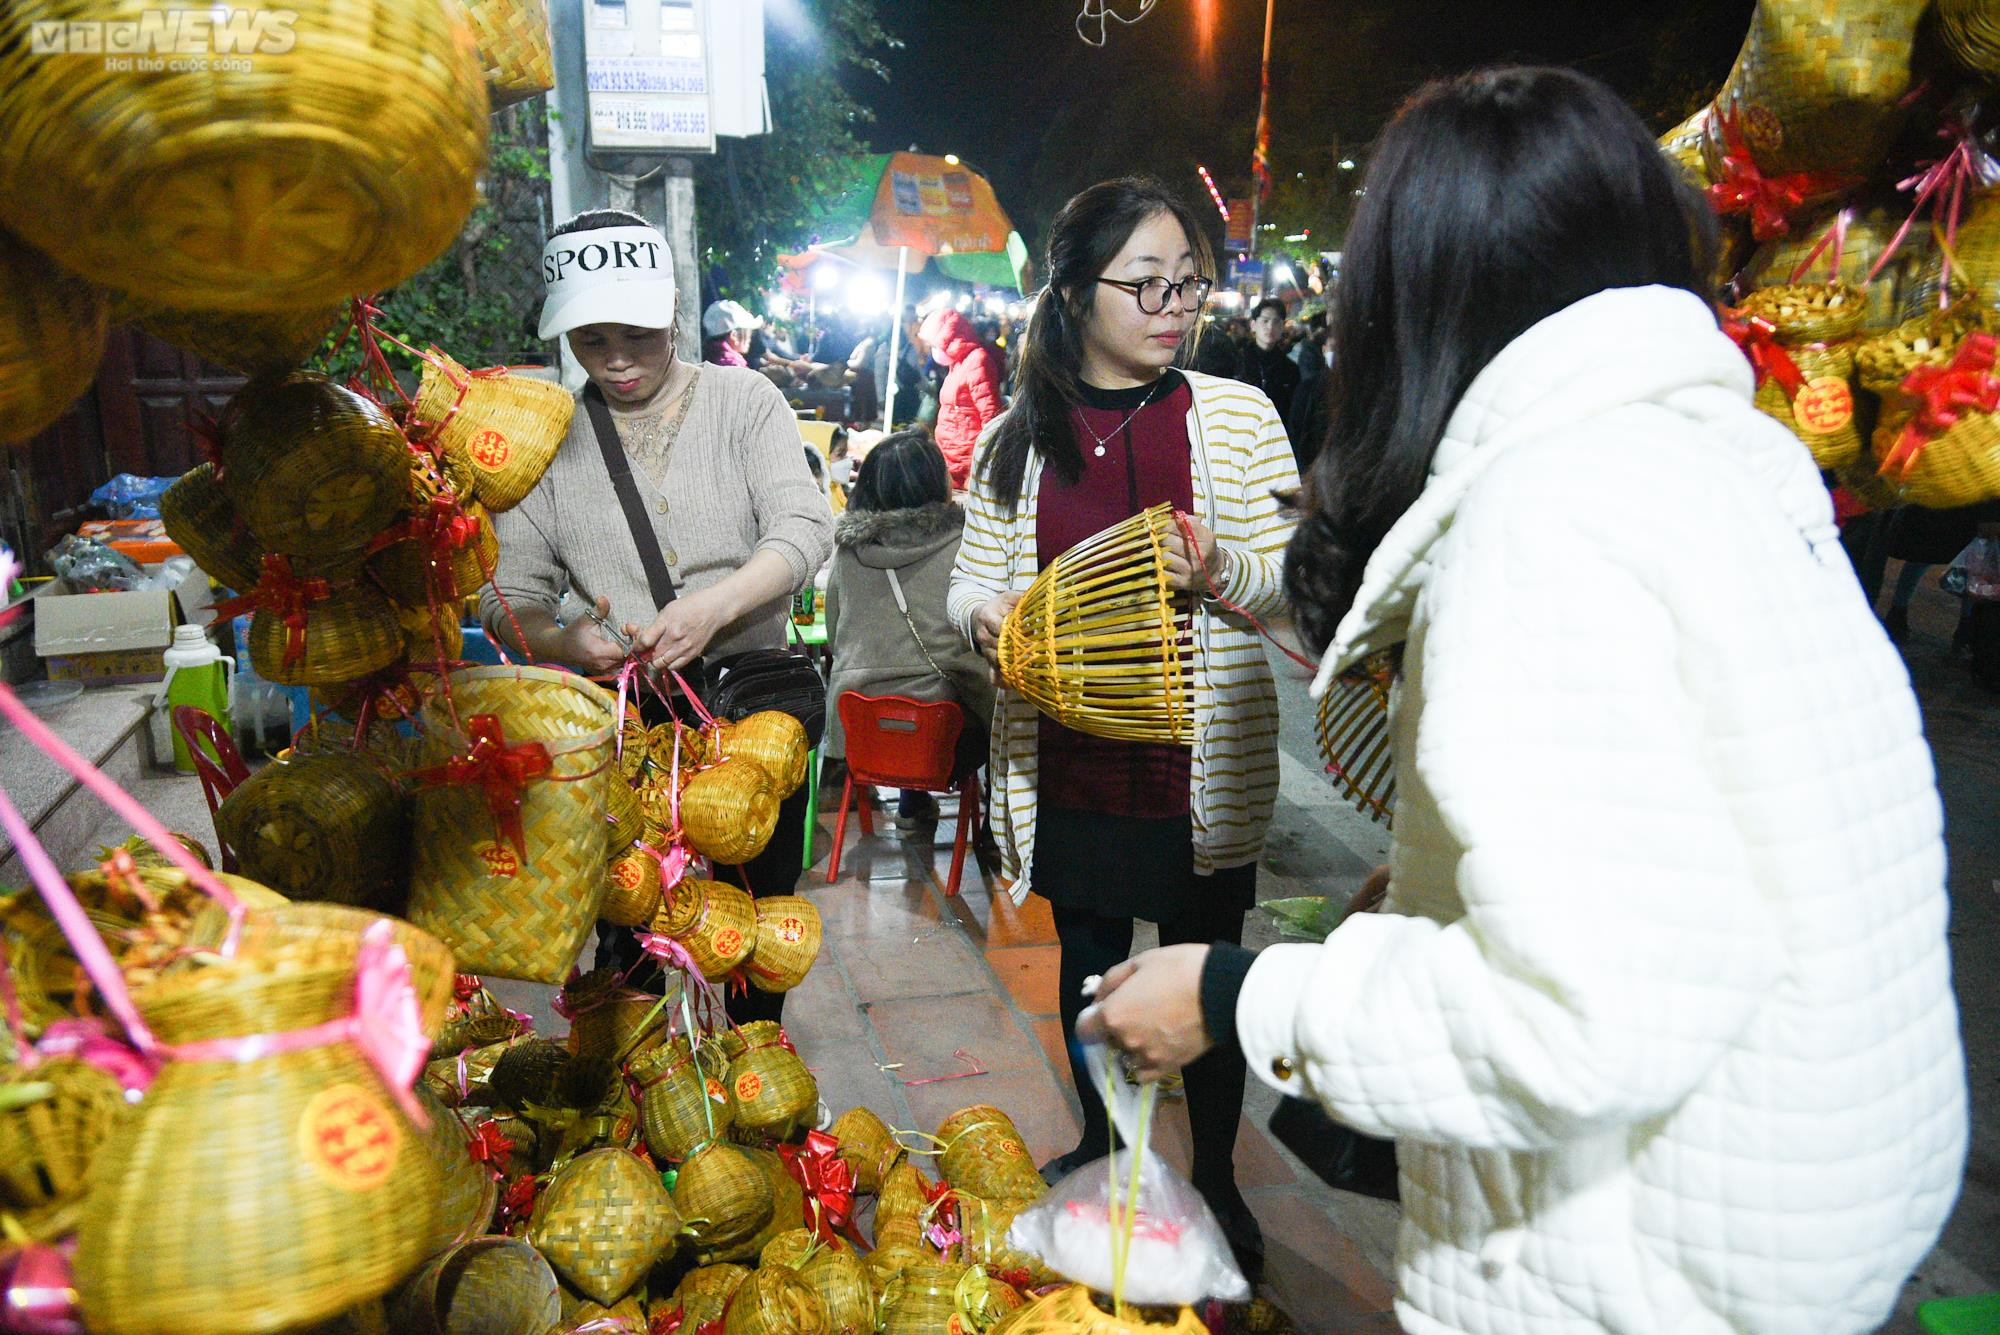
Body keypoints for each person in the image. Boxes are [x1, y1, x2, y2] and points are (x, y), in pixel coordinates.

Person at [1078, 68, 1966, 1334]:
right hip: (1790, 1211)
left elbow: (1574, 1018)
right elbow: (1695, 854)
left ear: (1414, 293)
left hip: (1645, 1268)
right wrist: (1448, 888)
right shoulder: (1718, 460)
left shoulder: (1549, 517)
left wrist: (1232, 997)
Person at [947, 176, 1299, 1280]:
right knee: (1089, 965)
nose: (1171, 305)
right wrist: (986, 616)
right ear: (1074, 290)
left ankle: (1220, 1182)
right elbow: (964, 585)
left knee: (1205, 974)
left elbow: (1292, 576)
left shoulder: (1234, 417)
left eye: (1186, 283)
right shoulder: (1015, 436)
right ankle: (1101, 1151)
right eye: (1144, 283)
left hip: (1198, 764)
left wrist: (1224, 565)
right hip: (1071, 750)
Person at [481, 209, 834, 1024]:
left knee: (752, 924)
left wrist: (716, 605)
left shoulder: (745, 402)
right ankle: (632, 1110)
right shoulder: (554, 441)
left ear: (673, 310)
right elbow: (507, 597)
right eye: (590, 340)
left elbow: (805, 528)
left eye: (636, 334)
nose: (616, 360)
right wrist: (565, 639)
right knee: (628, 936)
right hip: (630, 726)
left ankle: (751, 1090)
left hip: (750, 712)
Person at [825, 430, 994, 827]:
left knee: (897, 694)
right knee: (971, 703)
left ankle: (912, 804)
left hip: (861, 736)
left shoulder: (848, 553)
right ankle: (994, 830)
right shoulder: (966, 545)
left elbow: (835, 633)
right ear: (938, 482)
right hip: (945, 742)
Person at [919, 307, 1006, 488]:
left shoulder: (977, 361)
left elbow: (990, 413)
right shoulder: (957, 363)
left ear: (949, 340)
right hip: (952, 457)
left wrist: (984, 461)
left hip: (967, 462)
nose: (932, 351)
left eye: (935, 345)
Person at [1237, 297, 1300, 431]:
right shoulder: (1238, 361)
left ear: (1283, 326)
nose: (1270, 327)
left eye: (1276, 322)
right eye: (1265, 321)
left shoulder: (1290, 369)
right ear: (1253, 325)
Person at [702, 298, 760, 367]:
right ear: (734, 335)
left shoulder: (712, 355)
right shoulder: (734, 365)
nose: (750, 339)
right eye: (748, 334)